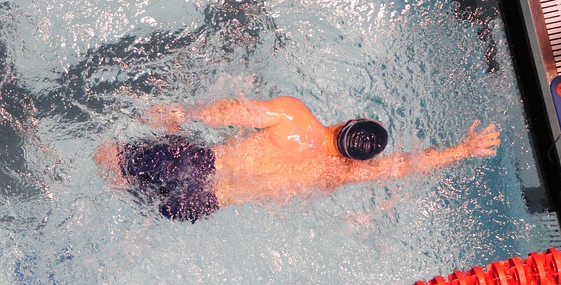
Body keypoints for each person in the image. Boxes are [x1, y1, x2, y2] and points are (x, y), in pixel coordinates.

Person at [94, 96, 500, 222]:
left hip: (198, 164)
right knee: (136, 206)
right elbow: (404, 165)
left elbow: (233, 112)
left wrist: (185, 114)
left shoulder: (295, 116)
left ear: (346, 120)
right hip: (203, 204)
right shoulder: (339, 174)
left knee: (105, 158)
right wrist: (462, 150)